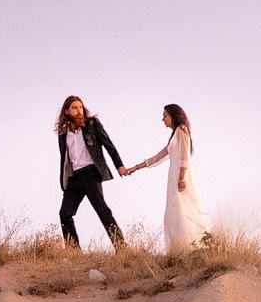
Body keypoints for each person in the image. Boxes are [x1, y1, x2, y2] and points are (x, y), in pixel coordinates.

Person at [120, 103, 209, 253]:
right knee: (174, 212)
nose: (163, 119)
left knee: (184, 209)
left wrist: (181, 179)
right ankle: (180, 249)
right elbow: (157, 157)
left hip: (181, 176)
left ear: (173, 116)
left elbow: (184, 157)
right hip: (174, 176)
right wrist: (135, 168)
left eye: (165, 116)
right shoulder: (175, 134)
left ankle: (193, 247)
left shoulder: (182, 130)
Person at [53, 95, 126, 249]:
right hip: (74, 177)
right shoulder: (63, 133)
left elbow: (108, 144)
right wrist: (64, 180)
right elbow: (63, 159)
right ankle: (74, 251)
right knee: (65, 214)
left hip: (91, 173)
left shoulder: (92, 124)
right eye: (74, 107)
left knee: (102, 210)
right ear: (67, 111)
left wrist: (119, 165)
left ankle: (121, 247)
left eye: (80, 107)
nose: (78, 110)